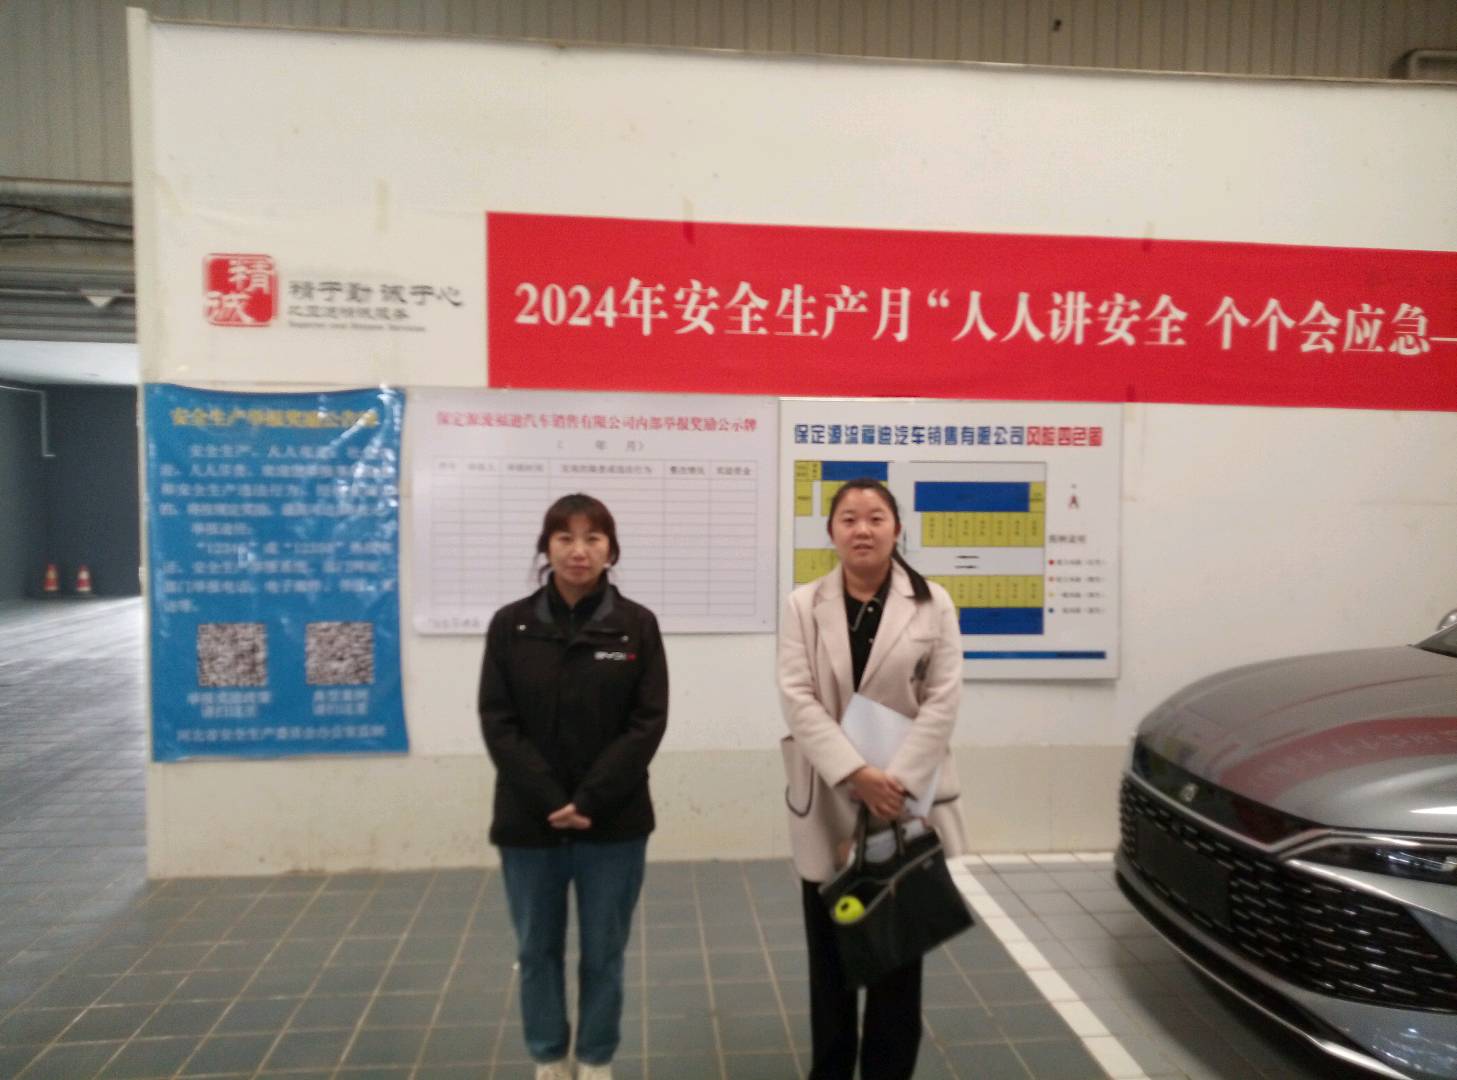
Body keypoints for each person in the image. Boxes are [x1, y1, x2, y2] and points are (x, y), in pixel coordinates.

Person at [777, 477, 967, 1080]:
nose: (863, 529)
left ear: (897, 529)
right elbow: (797, 697)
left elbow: (943, 699)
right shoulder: (803, 605)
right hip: (830, 795)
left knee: (897, 955)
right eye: (849, 518)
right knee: (830, 958)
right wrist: (856, 773)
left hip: (903, 801)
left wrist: (896, 781)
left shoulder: (934, 604)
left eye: (876, 517)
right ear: (831, 532)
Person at [478, 493, 669, 1080]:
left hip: (613, 822)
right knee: (535, 950)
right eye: (565, 538)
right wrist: (551, 799)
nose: (578, 551)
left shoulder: (635, 626)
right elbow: (498, 721)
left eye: (592, 538)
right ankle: (548, 1057)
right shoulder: (511, 625)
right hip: (528, 822)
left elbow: (647, 723)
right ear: (546, 547)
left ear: (612, 550)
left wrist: (587, 800)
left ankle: (594, 1058)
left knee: (604, 952)